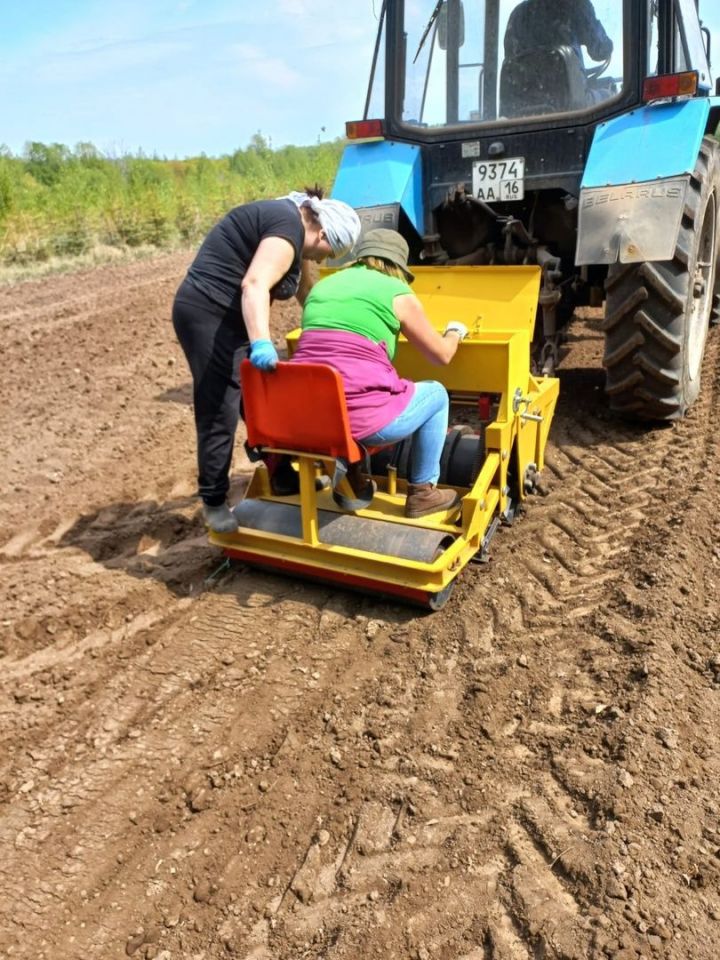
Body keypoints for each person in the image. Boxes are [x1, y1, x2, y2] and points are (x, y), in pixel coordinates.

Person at [172, 187, 361, 533]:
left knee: (264, 396)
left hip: (232, 319)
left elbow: (305, 291)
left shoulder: (299, 229)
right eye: (326, 252)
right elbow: (255, 284)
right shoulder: (287, 227)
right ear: (321, 233)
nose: (321, 260)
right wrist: (260, 342)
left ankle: (280, 473)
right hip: (205, 312)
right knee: (221, 406)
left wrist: (328, 326)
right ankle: (214, 501)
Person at [290, 228, 469, 520]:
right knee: (435, 393)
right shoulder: (397, 292)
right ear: (398, 266)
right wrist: (455, 332)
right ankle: (423, 493)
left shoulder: (323, 287)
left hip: (311, 419)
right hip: (360, 423)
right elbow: (442, 355)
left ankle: (354, 474)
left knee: (351, 389)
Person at [504, 0, 613, 67]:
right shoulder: (577, 4)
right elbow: (599, 51)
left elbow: (510, 59)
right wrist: (608, 45)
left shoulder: (518, 13)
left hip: (523, 98)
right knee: (608, 93)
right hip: (569, 97)